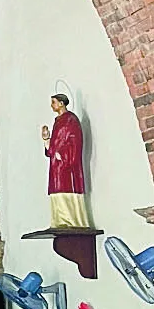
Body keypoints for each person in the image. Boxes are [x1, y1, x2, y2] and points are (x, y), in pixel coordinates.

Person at [42, 93, 89, 229]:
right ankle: (59, 221)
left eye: (53, 102)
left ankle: (71, 222)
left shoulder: (71, 120)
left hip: (67, 164)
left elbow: (75, 141)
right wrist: (46, 140)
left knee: (66, 188)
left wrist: (62, 154)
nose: (52, 106)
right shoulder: (57, 121)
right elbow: (56, 143)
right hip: (56, 165)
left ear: (61, 103)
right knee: (57, 190)